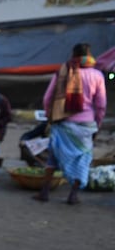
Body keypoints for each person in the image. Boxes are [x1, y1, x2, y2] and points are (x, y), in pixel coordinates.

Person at [34, 43, 107, 205]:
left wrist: (50, 115)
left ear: (73, 55)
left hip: (62, 123)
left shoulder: (62, 72)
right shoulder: (97, 75)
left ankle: (44, 192)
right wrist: (98, 123)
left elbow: (47, 98)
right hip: (86, 125)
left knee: (53, 157)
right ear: (89, 55)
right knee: (82, 158)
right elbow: (101, 105)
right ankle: (73, 195)